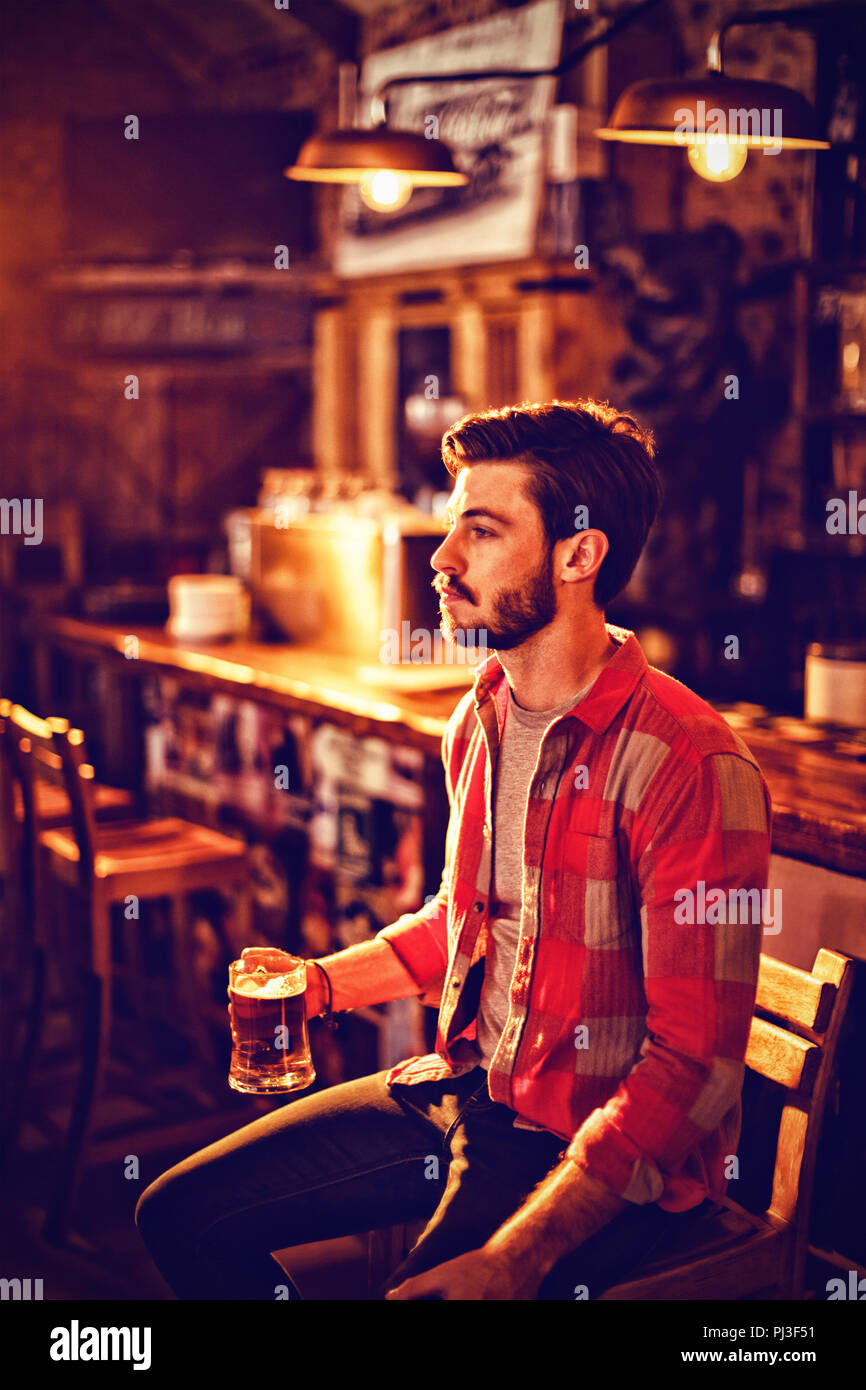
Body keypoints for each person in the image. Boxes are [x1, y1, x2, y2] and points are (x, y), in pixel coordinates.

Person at [135, 399, 772, 1300]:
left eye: (481, 530)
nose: (440, 559)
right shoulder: (481, 716)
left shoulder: (690, 763)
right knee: (176, 1215)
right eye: (450, 527)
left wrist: (515, 1260)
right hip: (469, 1087)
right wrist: (319, 985)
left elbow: (695, 1072)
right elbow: (460, 923)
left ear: (578, 555)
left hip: (599, 1152)